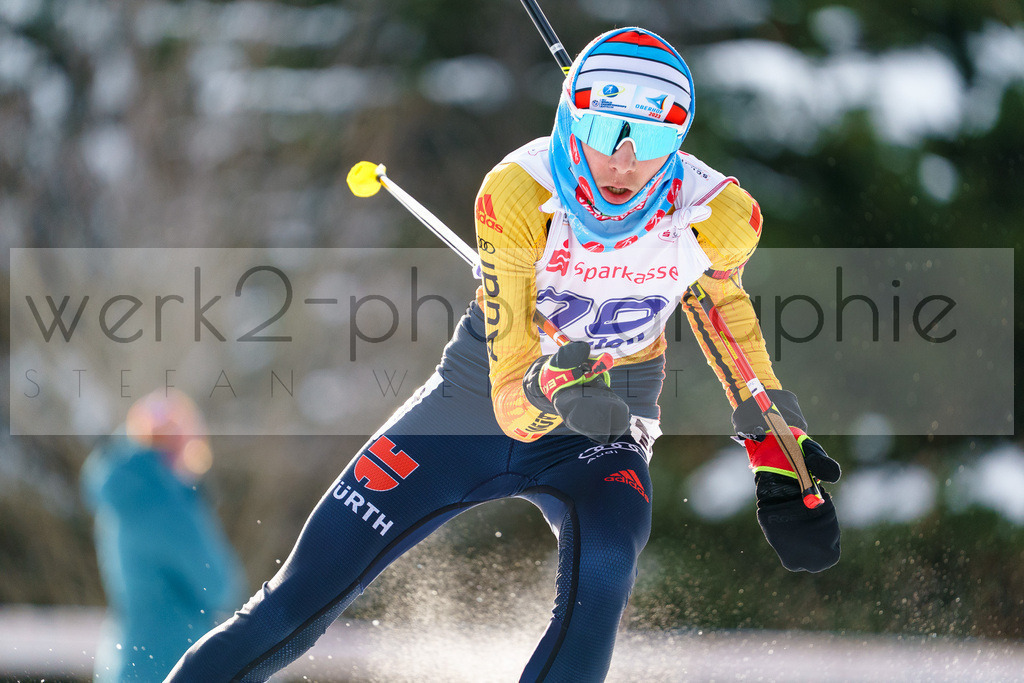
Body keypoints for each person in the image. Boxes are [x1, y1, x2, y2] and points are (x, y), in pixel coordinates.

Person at [166, 27, 840, 682]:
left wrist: (774, 443)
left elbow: (726, 321)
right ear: (572, 119)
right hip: (471, 405)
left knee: (604, 571)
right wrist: (555, 380)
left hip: (603, 425)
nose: (624, 162)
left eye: (653, 139)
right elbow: (513, 400)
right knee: (295, 601)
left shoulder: (716, 214)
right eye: (605, 132)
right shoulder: (520, 191)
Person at [81, 390, 245, 681]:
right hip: (170, 661)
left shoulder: (124, 491)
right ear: (181, 445)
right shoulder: (164, 503)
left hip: (125, 658)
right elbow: (218, 584)